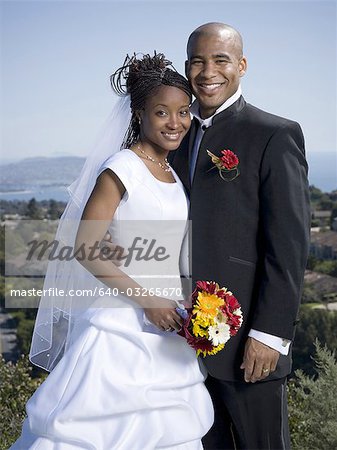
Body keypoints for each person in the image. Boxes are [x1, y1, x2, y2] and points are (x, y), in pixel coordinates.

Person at [11, 53, 213, 450]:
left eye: (183, 112)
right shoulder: (121, 167)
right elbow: (85, 247)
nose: (176, 123)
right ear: (139, 114)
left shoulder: (171, 170)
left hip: (169, 324)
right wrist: (147, 300)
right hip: (120, 323)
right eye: (162, 112)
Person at [169, 23, 311, 450]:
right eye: (197, 60)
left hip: (249, 342)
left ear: (242, 66)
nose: (207, 71)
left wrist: (268, 334)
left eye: (220, 60)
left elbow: (287, 244)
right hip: (178, 347)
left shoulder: (274, 134)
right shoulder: (172, 135)